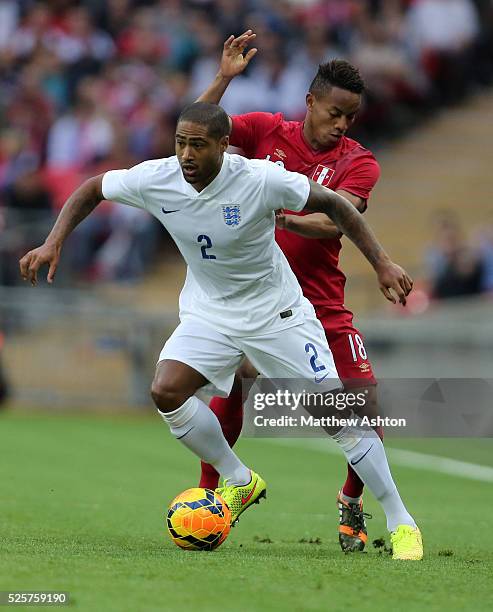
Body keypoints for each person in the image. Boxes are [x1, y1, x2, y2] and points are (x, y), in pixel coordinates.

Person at [19, 102, 422, 560]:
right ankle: (238, 479)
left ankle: (400, 518)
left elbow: (332, 204)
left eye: (198, 144)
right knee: (166, 390)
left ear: (224, 146)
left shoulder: (257, 179)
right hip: (210, 312)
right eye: (181, 143)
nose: (186, 154)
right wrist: (53, 242)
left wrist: (383, 263)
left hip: (276, 313)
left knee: (338, 418)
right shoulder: (159, 176)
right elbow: (93, 187)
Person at [197, 31, 392, 552]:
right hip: (258, 297)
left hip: (321, 300)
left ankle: (352, 501)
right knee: (236, 383)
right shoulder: (265, 132)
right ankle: (209, 499)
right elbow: (195, 131)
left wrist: (274, 212)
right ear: (310, 102)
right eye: (335, 113)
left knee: (367, 411)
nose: (342, 124)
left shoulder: (359, 161)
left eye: (350, 116)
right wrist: (223, 78)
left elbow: (335, 224)